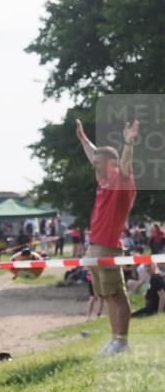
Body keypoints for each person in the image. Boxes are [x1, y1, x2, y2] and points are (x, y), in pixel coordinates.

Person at [76, 119, 140, 354]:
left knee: (117, 296)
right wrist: (83, 139)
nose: (94, 166)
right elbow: (94, 153)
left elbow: (125, 162)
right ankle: (116, 341)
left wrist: (128, 142)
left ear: (111, 164)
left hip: (107, 246)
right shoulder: (104, 180)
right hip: (95, 246)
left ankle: (121, 342)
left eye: (99, 164)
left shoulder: (121, 180)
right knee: (110, 297)